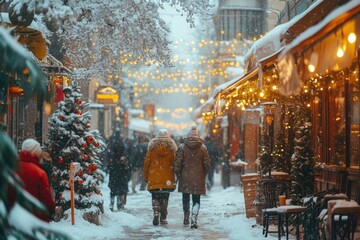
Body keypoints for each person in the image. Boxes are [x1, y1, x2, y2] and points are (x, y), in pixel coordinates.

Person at [174, 125, 210, 229]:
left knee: (185, 197)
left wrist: (178, 174)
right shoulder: (203, 148)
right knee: (196, 199)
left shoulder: (182, 147)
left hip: (185, 178)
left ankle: (186, 216)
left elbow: (178, 164)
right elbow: (207, 164)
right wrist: (203, 174)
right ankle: (194, 217)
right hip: (198, 178)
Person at [143, 129, 177, 226]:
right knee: (165, 198)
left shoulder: (152, 149)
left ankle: (156, 211)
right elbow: (175, 164)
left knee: (155, 196)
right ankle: (163, 218)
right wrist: (176, 175)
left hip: (154, 177)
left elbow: (147, 164)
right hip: (167, 179)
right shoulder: (171, 149)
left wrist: (146, 176)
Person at [16, 138, 55, 222]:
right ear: (37, 153)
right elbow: (46, 200)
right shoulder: (39, 173)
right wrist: (51, 210)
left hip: (15, 220)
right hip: (36, 220)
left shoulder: (11, 169)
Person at [108, 128, 129, 211]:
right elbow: (126, 168)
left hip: (113, 175)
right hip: (121, 175)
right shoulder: (123, 157)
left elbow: (108, 166)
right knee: (120, 190)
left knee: (113, 190)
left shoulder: (112, 146)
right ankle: (118, 204)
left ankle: (111, 204)